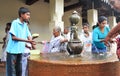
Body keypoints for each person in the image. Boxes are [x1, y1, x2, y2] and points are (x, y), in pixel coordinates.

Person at [5, 7, 35, 76]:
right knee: (11, 71)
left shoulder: (25, 25)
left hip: (20, 50)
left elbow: (29, 35)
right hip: (12, 51)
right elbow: (13, 37)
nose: (29, 17)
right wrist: (28, 40)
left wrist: (31, 42)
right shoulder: (15, 22)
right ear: (21, 15)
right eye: (27, 15)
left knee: (19, 70)